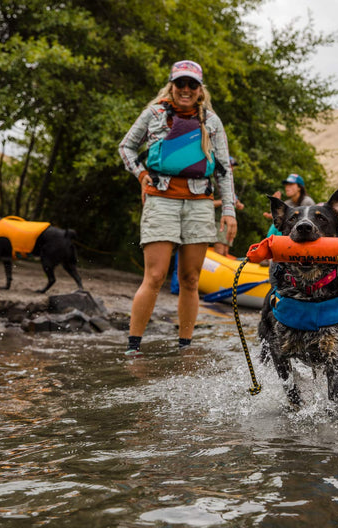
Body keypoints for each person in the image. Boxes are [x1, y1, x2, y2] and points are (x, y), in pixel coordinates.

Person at [119, 60, 236, 356]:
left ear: (200, 90)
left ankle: (185, 347)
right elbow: (126, 147)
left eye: (192, 85)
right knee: (155, 276)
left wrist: (229, 211)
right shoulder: (154, 113)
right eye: (180, 84)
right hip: (161, 200)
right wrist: (142, 175)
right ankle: (133, 348)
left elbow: (224, 170)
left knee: (191, 278)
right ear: (172, 85)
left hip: (199, 203)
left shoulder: (212, 121)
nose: (185, 89)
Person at [212, 157, 244, 256]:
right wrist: (224, 202)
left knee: (226, 251)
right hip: (218, 221)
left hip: (229, 222)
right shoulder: (213, 181)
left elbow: (236, 201)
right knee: (220, 250)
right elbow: (208, 204)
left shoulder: (230, 184)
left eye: (233, 167)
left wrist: (238, 204)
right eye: (230, 166)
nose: (232, 169)